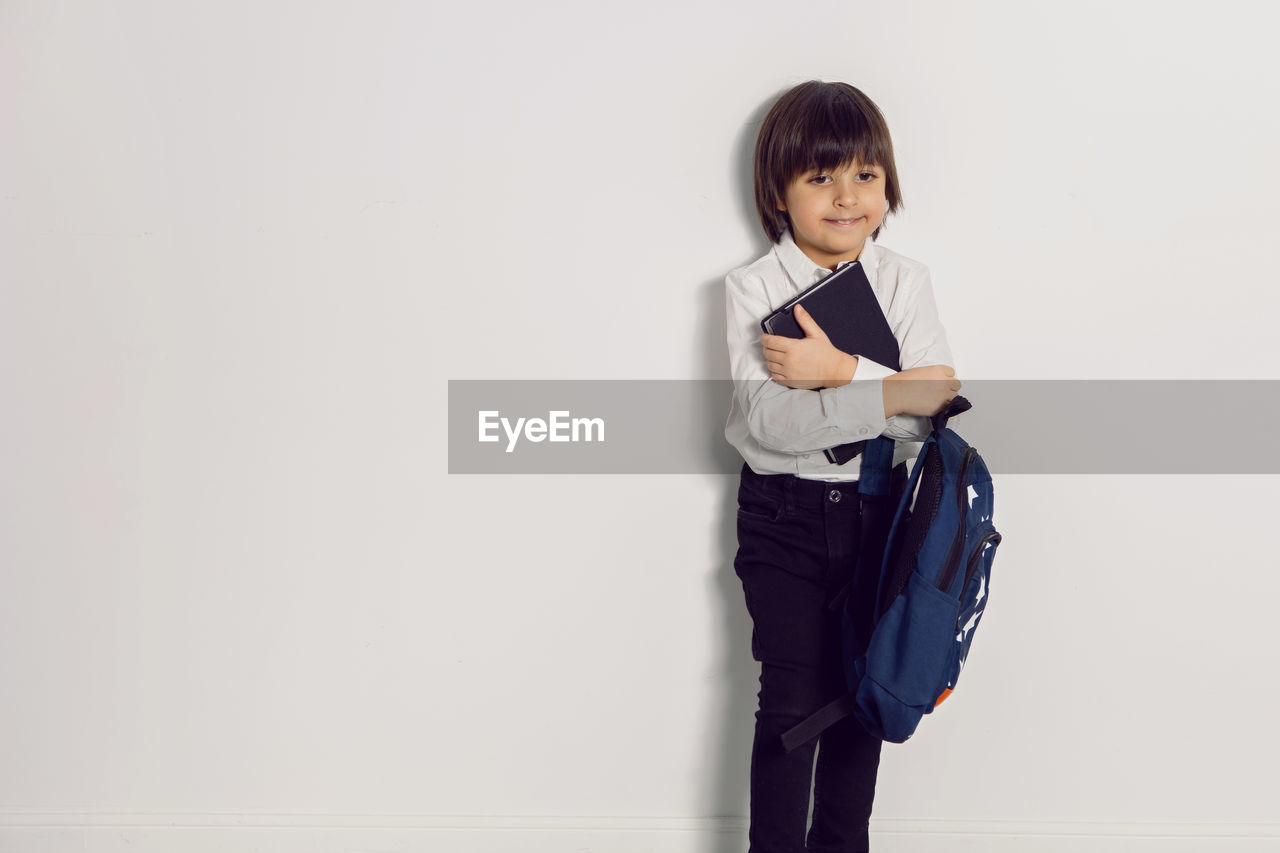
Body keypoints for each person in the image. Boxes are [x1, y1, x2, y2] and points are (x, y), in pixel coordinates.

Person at [724, 80, 962, 853]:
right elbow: (770, 421)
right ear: (779, 191)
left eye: (865, 174)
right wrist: (890, 387)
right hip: (783, 516)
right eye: (820, 177)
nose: (847, 196)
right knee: (790, 703)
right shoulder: (752, 287)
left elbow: (938, 398)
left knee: (867, 694)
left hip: (881, 508)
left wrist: (836, 368)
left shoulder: (903, 280)